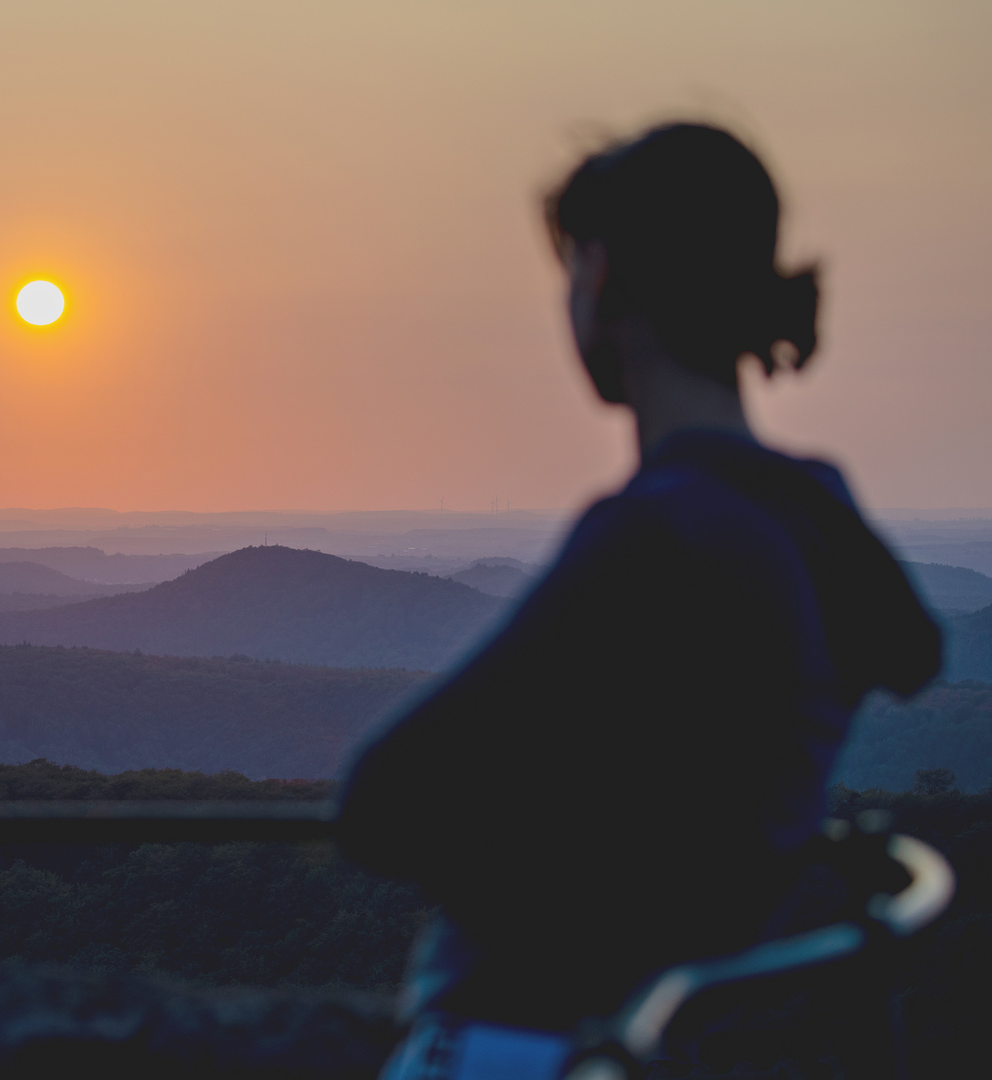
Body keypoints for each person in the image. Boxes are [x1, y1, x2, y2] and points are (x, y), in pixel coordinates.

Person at [336, 123, 941, 1079]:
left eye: (570, 270)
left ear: (605, 275)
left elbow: (382, 800)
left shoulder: (657, 530)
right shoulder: (816, 513)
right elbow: (912, 654)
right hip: (660, 1027)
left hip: (520, 1038)